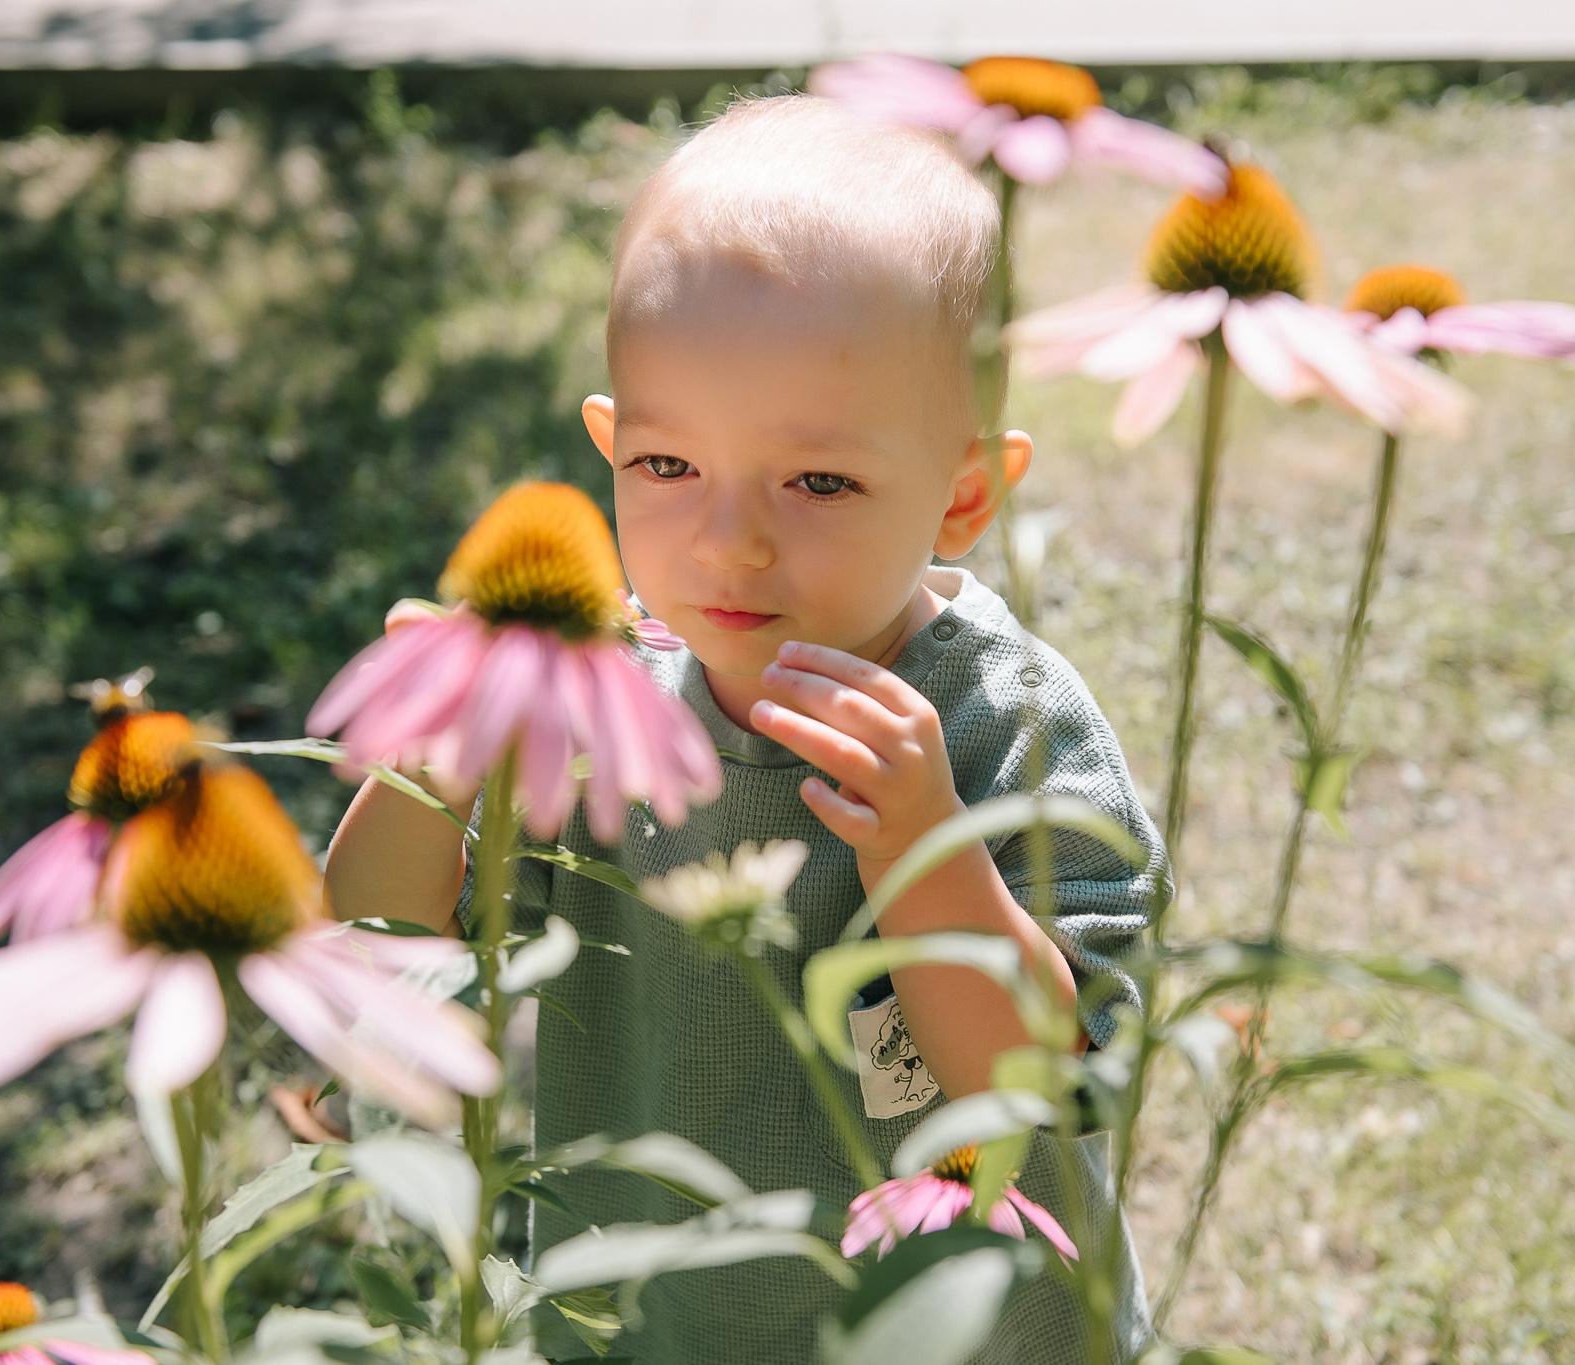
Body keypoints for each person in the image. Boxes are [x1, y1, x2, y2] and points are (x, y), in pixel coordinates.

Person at [322, 92, 1171, 1364]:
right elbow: (381, 934)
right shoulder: (598, 698)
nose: (730, 541)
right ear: (609, 447)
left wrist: (925, 849)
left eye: (818, 481)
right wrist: (436, 751)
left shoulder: (999, 719)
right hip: (652, 1311)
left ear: (963, 494)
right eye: (667, 470)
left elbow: (1041, 1077)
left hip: (963, 1326)